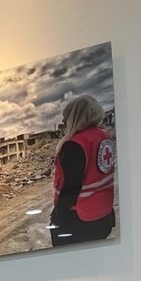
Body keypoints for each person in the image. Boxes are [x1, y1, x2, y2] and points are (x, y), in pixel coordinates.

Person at [50, 94, 116, 247]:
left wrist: (58, 217)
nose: (64, 121)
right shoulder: (103, 136)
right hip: (102, 214)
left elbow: (71, 187)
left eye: (66, 117)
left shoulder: (75, 144)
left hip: (79, 220)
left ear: (76, 117)